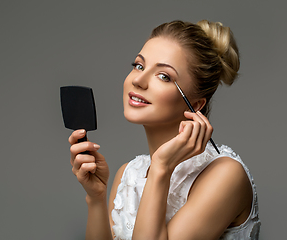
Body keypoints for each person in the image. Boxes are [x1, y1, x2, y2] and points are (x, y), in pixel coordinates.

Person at [68, 20, 260, 240]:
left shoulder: (225, 175)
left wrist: (161, 167)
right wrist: (96, 198)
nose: (138, 80)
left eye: (164, 76)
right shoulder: (128, 174)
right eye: (139, 66)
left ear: (196, 105)